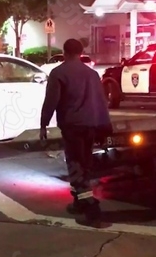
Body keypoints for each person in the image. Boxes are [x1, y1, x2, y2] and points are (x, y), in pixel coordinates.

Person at [39, 39, 111, 225]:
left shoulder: (58, 73)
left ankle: (90, 208)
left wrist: (43, 125)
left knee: (76, 165)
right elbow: (101, 102)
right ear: (81, 53)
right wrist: (105, 127)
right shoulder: (92, 74)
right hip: (91, 125)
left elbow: (51, 102)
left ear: (64, 52)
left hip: (72, 126)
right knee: (85, 163)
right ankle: (80, 201)